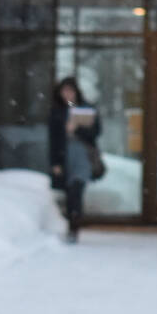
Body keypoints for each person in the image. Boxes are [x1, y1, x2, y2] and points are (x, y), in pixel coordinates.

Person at [47, 77, 101, 242]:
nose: (67, 95)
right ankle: (72, 221)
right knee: (69, 191)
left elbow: (94, 132)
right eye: (64, 91)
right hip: (65, 156)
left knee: (76, 188)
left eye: (70, 91)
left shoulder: (83, 108)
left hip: (82, 155)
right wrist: (55, 162)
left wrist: (76, 130)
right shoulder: (58, 111)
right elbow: (53, 139)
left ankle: (74, 226)